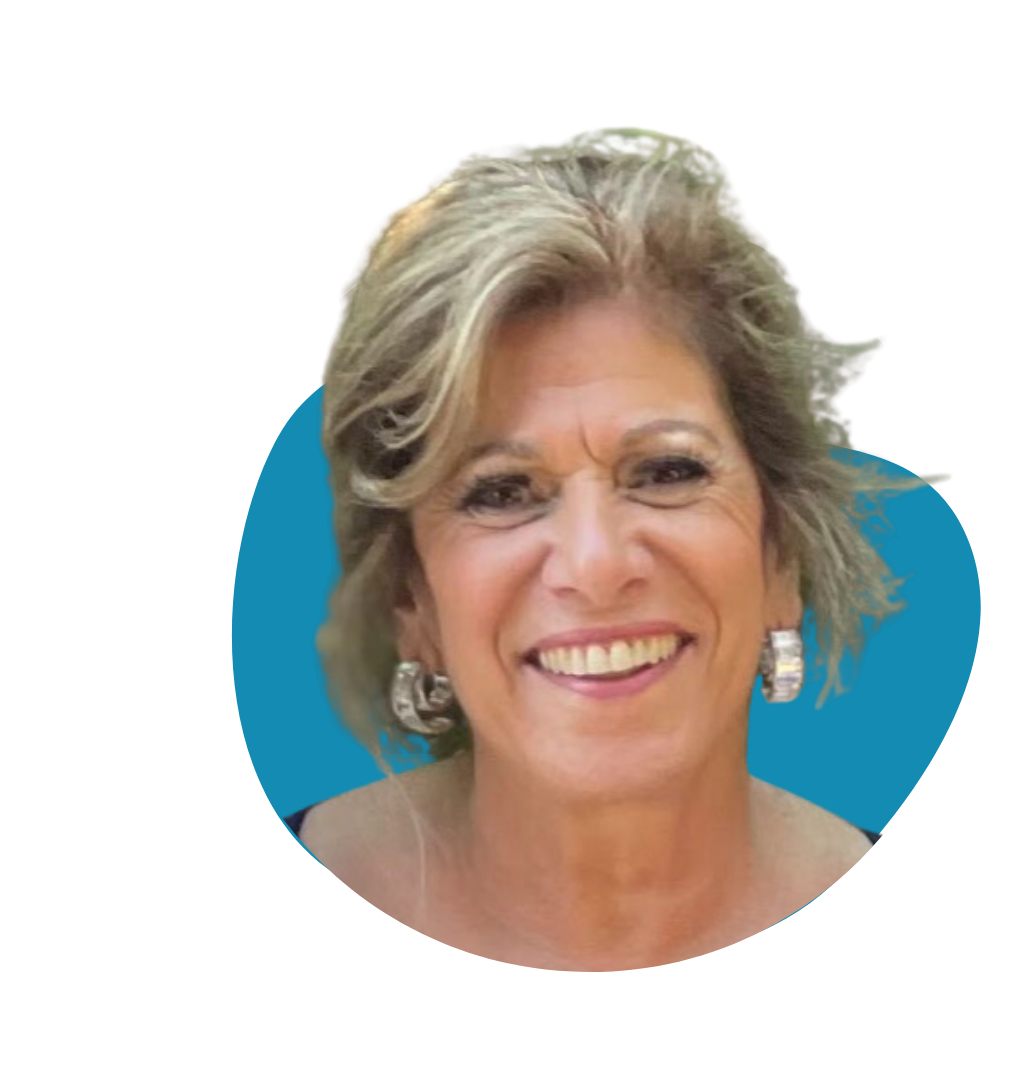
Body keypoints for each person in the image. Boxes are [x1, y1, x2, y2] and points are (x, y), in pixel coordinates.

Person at [291, 127, 924, 970]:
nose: (595, 566)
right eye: (501, 493)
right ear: (411, 597)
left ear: (782, 553)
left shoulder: (946, 946)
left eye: (667, 472)